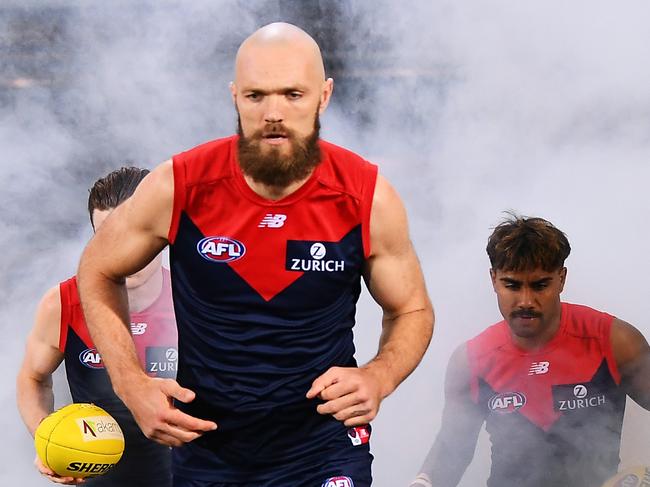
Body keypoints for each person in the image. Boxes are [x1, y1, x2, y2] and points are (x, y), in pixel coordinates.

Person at [76, 22, 434, 487]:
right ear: (234, 97)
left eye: (293, 94)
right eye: (256, 96)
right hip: (207, 447)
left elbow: (413, 308)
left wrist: (380, 376)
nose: (274, 113)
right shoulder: (178, 185)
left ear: (324, 96)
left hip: (321, 447)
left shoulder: (367, 197)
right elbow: (96, 269)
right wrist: (131, 383)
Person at [410, 215, 650, 487]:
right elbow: (452, 449)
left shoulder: (615, 341)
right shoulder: (471, 360)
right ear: (494, 280)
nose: (525, 301)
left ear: (561, 279)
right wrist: (424, 482)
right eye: (512, 285)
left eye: (540, 285)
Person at [17, 167, 178, 486]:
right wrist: (47, 439)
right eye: (108, 235)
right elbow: (33, 378)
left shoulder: (197, 302)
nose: (124, 249)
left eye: (137, 232)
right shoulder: (63, 303)